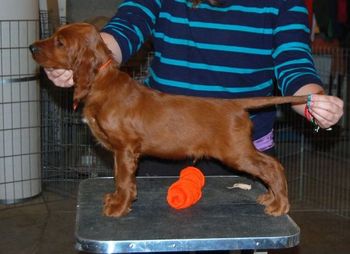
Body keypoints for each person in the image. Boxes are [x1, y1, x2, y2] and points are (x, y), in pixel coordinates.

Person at [45, 0, 343, 175]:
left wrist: (314, 103)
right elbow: (127, 28)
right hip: (160, 145)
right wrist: (86, 58)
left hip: (238, 147)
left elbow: (293, 62)